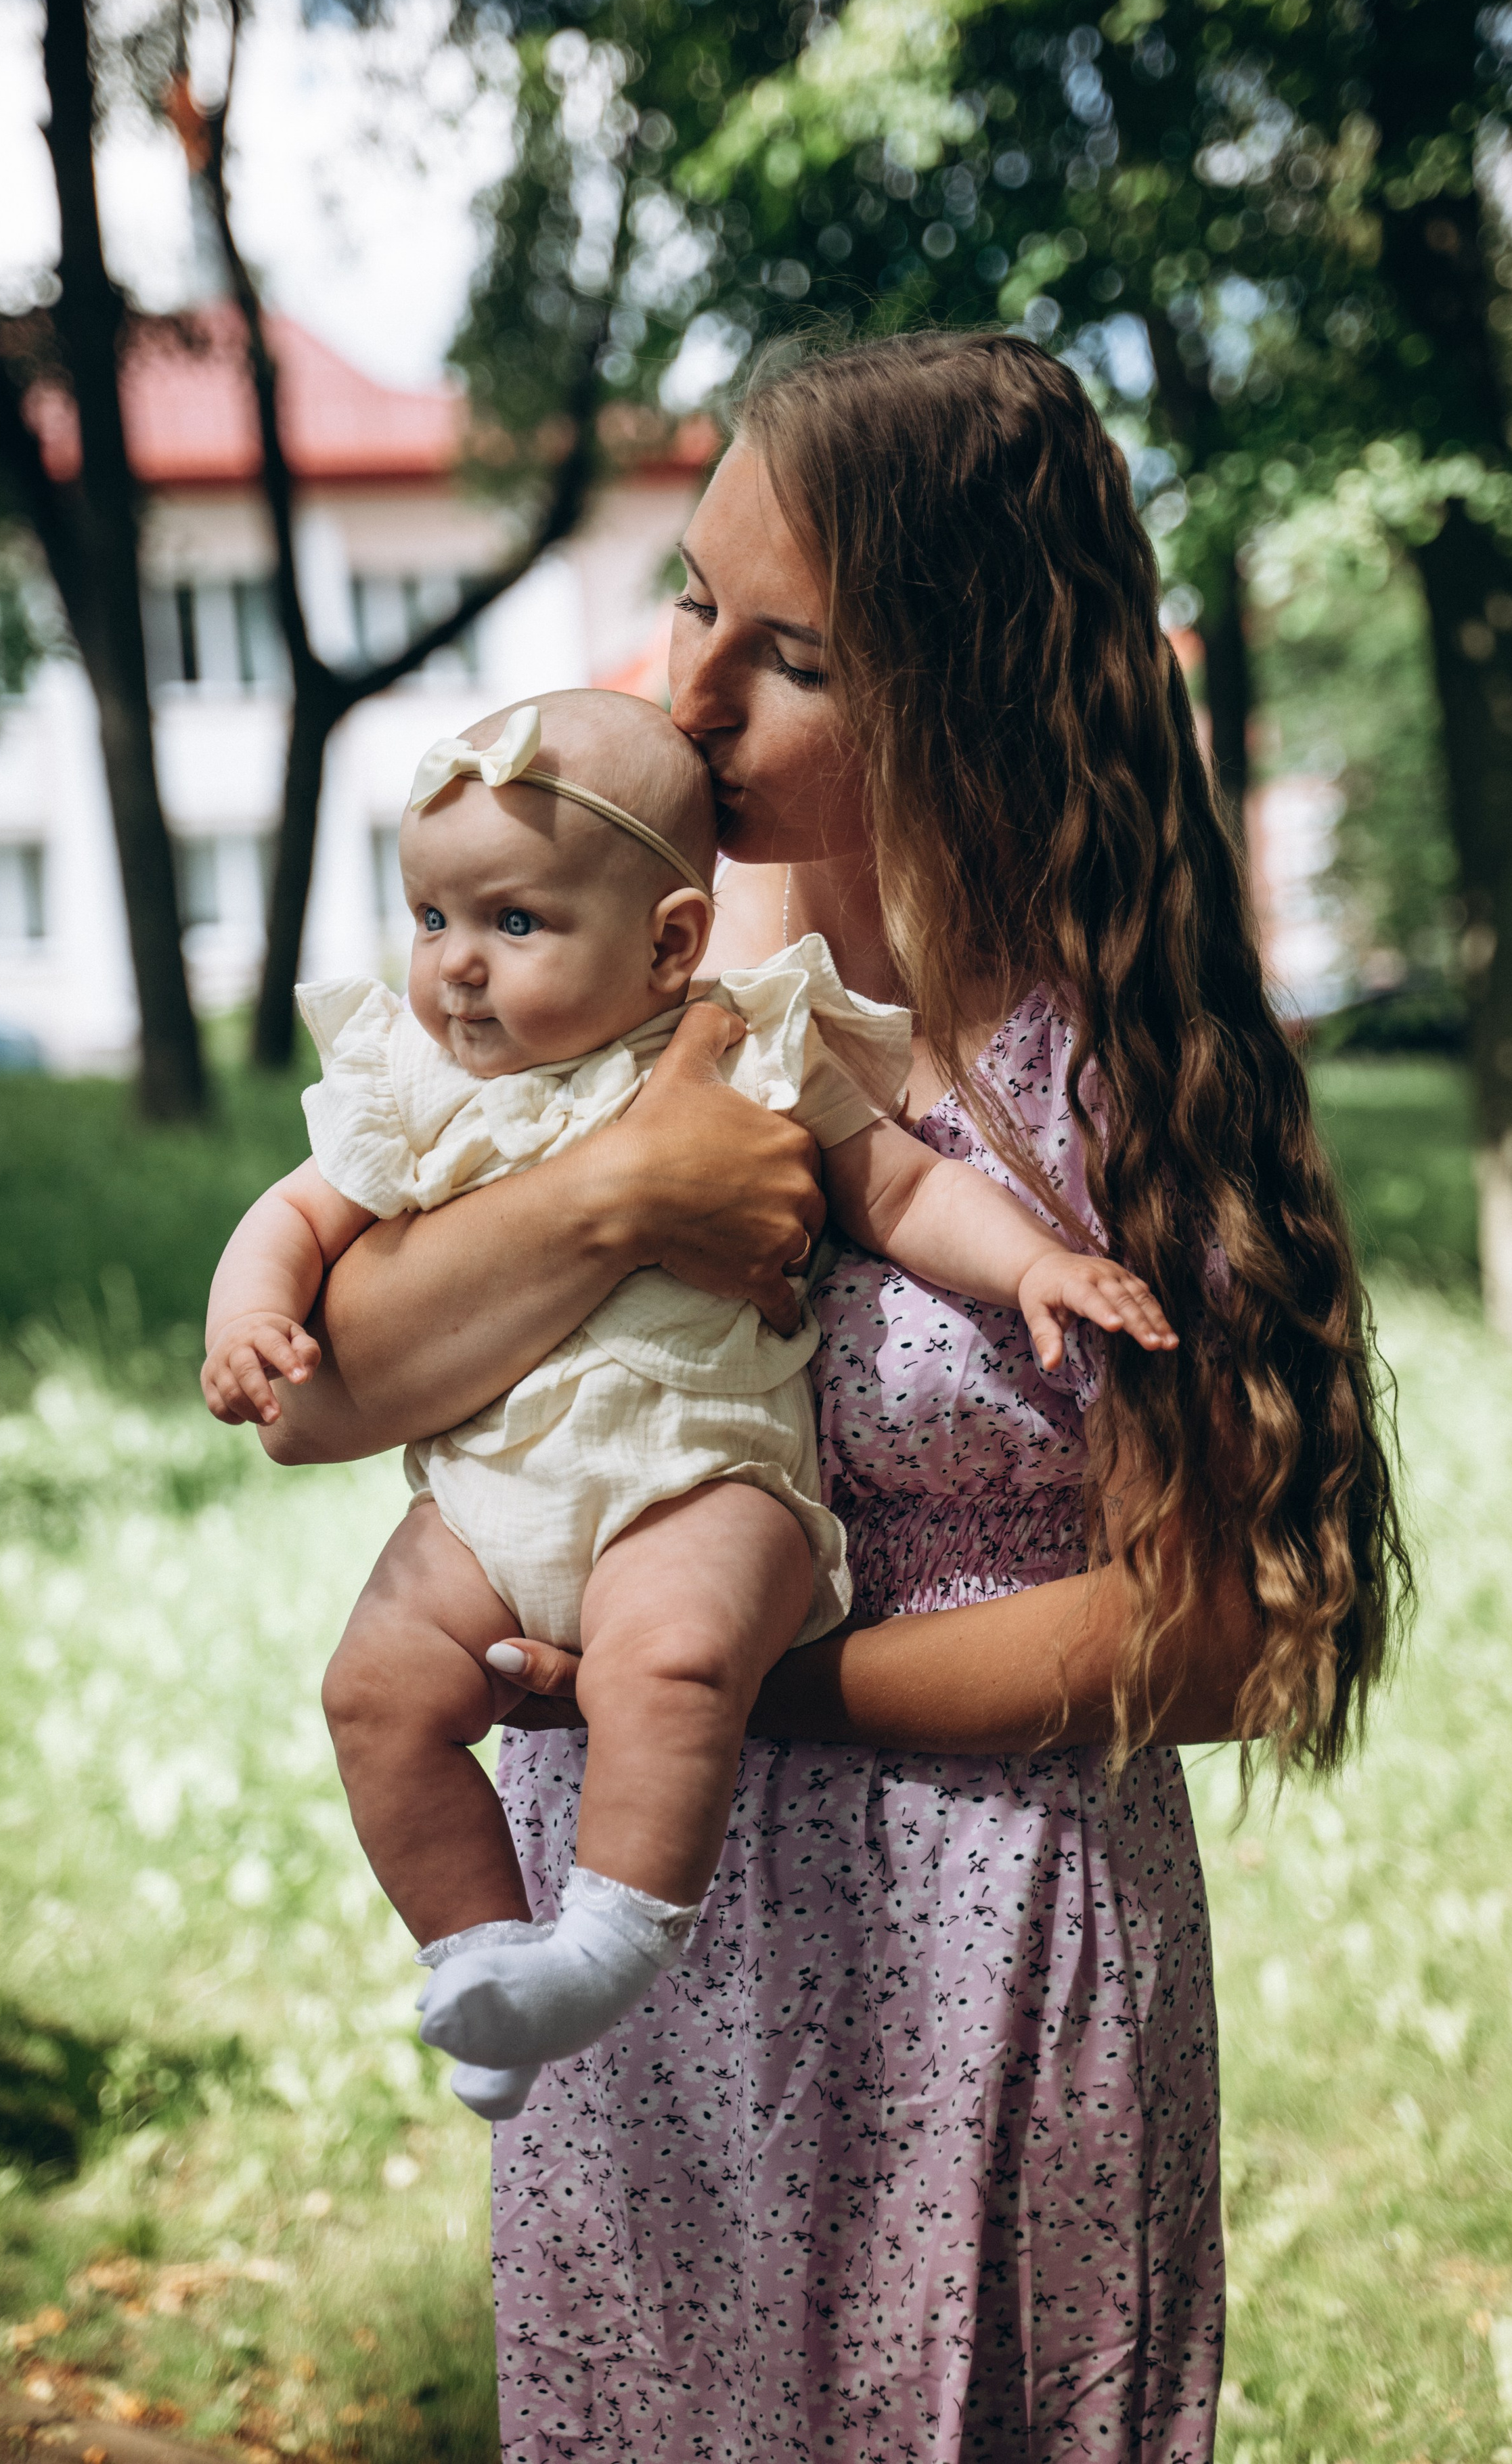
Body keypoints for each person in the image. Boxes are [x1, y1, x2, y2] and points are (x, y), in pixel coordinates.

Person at [260, 332, 1410, 2461]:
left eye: (785, 653)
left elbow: (1230, 1631)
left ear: (967, 685)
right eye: (692, 597)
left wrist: (736, 1696)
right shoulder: (639, 977)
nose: (686, 693)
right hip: (664, 1989)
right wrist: (622, 1187)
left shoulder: (1131, 1065)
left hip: (982, 1955)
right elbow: (318, 1400)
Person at [202, 686, 1178, 2125]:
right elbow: (293, 1215)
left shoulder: (753, 1036)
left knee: (659, 1665)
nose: (456, 969)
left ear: (667, 939)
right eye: (430, 919)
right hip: (487, 1497)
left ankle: (605, 1942)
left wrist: (1036, 1262)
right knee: (372, 1692)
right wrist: (249, 1316)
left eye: (513, 924)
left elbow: (900, 1187)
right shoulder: (409, 1079)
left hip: (696, 1479)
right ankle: (482, 1958)